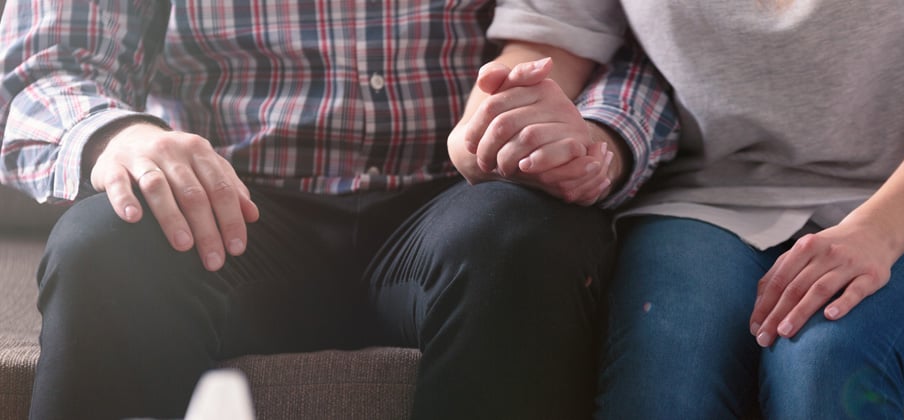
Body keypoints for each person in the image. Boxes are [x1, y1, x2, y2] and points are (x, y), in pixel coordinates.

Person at [0, 0, 678, 419]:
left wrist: (600, 137)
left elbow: (639, 35)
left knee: (522, 240)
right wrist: (119, 137)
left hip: (461, 199)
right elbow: (49, 61)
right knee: (107, 248)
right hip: (231, 200)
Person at [475, 0, 904, 418]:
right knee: (667, 375)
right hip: (708, 199)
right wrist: (523, 119)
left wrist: (878, 232)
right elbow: (545, 45)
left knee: (825, 363)